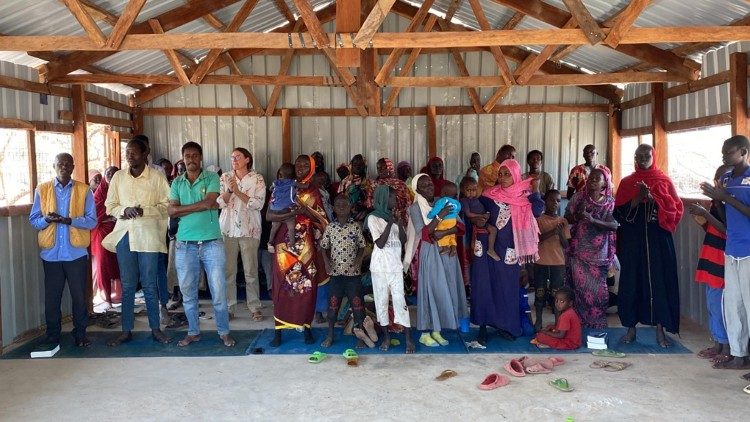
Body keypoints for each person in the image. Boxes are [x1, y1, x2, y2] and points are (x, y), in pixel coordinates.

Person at [103, 138, 171, 346]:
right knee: (128, 284)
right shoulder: (118, 177)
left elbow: (168, 205)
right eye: (127, 152)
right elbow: (110, 205)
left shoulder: (157, 177)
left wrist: (145, 211)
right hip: (125, 235)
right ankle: (126, 330)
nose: (129, 156)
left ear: (145, 153)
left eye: (133, 152)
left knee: (150, 285)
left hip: (149, 236)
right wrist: (123, 210)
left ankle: (155, 329)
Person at [615, 144, 683, 347]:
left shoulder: (664, 181)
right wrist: (637, 198)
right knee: (632, 283)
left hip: (658, 241)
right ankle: (630, 328)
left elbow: (676, 209)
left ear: (654, 156)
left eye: (647, 154)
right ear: (635, 158)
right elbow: (618, 215)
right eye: (639, 155)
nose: (643, 157)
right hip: (633, 242)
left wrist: (654, 199)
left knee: (659, 282)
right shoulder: (627, 182)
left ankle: (661, 330)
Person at [168, 141, 234, 347]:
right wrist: (202, 206)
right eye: (187, 156)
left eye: (195, 155)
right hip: (184, 244)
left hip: (211, 243)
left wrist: (183, 209)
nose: (191, 159)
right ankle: (193, 331)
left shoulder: (212, 177)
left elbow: (209, 202)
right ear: (183, 158)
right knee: (188, 292)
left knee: (219, 291)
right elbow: (171, 211)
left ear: (201, 157)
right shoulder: (177, 183)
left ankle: (223, 331)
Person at [29, 153, 97, 348]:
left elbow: (92, 221)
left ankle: (80, 334)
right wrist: (47, 220)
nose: (64, 167)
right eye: (60, 164)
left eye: (68, 164)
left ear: (73, 167)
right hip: (51, 254)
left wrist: (68, 220)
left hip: (75, 253)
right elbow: (34, 221)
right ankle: (52, 335)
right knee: (52, 298)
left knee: (79, 297)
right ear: (54, 165)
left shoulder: (84, 190)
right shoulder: (42, 190)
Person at [474, 159, 544, 345]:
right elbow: (476, 211)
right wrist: (480, 221)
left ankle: (507, 326)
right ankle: (482, 326)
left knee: (507, 289)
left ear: (515, 174)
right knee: (484, 287)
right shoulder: (489, 195)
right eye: (501, 174)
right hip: (488, 248)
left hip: (510, 251)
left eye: (507, 174)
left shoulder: (526, 196)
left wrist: (535, 190)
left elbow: (538, 210)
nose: (503, 178)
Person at [268, 155, 330, 347]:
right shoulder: (281, 186)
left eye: (306, 164)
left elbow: (323, 221)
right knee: (282, 286)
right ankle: (279, 329)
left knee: (305, 286)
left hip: (306, 246)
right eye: (298, 164)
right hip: (283, 246)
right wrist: (292, 213)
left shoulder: (312, 191)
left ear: (312, 167)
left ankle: (305, 326)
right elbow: (270, 215)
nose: (301, 167)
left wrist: (304, 210)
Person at [701, 135, 750, 372]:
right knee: (734, 306)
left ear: (743, 152)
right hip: (731, 250)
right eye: (722, 153)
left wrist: (724, 197)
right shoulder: (728, 179)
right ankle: (738, 355)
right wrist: (716, 200)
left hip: (748, 251)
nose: (724, 157)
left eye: (728, 153)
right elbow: (726, 214)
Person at [404, 174, 468, 348]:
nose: (429, 187)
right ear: (417, 190)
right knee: (431, 289)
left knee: (446, 288)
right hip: (431, 252)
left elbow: (460, 225)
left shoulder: (444, 200)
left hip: (447, 251)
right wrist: (440, 216)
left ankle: (437, 331)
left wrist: (443, 232)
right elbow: (424, 233)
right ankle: (426, 333)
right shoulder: (416, 208)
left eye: (430, 183)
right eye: (424, 186)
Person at [689, 165, 732, 363]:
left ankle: (726, 346)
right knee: (712, 303)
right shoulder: (717, 202)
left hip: (721, 260)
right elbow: (713, 229)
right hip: (711, 257)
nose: (718, 183)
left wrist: (706, 214)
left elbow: (726, 229)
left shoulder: (730, 203)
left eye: (722, 179)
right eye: (717, 179)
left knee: (720, 305)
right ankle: (717, 343)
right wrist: (702, 218)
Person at [565, 168, 618, 329]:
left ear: (605, 182)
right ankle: (579, 324)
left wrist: (592, 220)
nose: (593, 180)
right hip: (579, 251)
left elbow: (614, 225)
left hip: (599, 253)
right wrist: (577, 217)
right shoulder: (579, 197)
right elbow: (567, 217)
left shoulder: (609, 202)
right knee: (580, 290)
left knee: (598, 291)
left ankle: (597, 324)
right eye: (591, 178)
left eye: (597, 178)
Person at [218, 147, 266, 321]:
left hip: (249, 229)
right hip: (228, 229)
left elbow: (258, 204)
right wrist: (230, 191)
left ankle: (254, 307)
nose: (234, 160)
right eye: (232, 157)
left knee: (250, 271)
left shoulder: (257, 178)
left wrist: (238, 192)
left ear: (247, 159)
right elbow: (219, 202)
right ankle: (229, 307)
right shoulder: (225, 177)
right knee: (228, 271)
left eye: (237, 157)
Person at [367, 185, 415, 353]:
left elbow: (402, 240)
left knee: (400, 302)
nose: (394, 201)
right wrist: (390, 224)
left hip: (395, 267)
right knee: (381, 302)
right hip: (380, 268)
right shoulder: (373, 218)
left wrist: (399, 224)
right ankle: (387, 337)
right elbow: (379, 244)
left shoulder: (393, 217)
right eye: (392, 198)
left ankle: (408, 338)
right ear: (383, 198)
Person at [320, 194, 367, 348]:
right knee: (333, 308)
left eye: (344, 205)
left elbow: (362, 246)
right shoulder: (330, 227)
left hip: (353, 275)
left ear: (350, 208)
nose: (341, 207)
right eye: (338, 205)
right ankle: (330, 335)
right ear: (333, 208)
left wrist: (359, 261)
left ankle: (361, 335)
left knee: (358, 306)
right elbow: (323, 247)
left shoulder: (355, 227)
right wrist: (326, 263)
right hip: (335, 275)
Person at [533, 189, 570, 331]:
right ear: (545, 201)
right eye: (551, 200)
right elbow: (537, 239)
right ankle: (539, 320)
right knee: (539, 292)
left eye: (558, 201)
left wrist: (560, 233)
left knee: (557, 294)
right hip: (540, 262)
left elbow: (566, 245)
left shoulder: (563, 221)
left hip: (558, 263)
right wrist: (553, 232)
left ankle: (557, 322)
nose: (555, 203)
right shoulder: (538, 220)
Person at [92, 165, 121, 313]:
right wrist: (110, 213)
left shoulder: (123, 189)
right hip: (103, 232)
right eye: (108, 173)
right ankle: (107, 298)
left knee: (120, 263)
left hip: (120, 230)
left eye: (114, 173)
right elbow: (95, 212)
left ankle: (120, 296)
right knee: (103, 264)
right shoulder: (100, 192)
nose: (111, 175)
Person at [460, 177, 500, 261]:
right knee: (484, 224)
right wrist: (481, 216)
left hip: (483, 218)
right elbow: (468, 214)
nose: (471, 193)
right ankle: (490, 249)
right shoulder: (464, 200)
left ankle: (491, 249)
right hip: (475, 220)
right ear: (462, 190)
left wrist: (487, 214)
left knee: (494, 230)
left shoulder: (478, 199)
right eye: (468, 190)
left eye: (474, 190)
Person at [266, 163, 297, 253]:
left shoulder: (276, 184)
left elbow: (271, 189)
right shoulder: (293, 184)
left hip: (276, 210)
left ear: (280, 174)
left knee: (274, 227)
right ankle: (292, 245)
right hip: (287, 212)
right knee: (291, 228)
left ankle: (270, 243)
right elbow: (268, 217)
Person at [427, 182, 462, 256]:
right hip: (453, 221)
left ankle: (445, 247)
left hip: (445, 220)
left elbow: (436, 210)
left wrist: (430, 215)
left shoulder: (442, 200)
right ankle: (453, 247)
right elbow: (458, 209)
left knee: (440, 230)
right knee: (451, 235)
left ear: (444, 193)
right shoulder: (457, 202)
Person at [374, 157, 411, 225]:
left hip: (400, 218)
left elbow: (407, 203)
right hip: (381, 220)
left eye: (382, 168)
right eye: (378, 168)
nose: (380, 170)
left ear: (389, 167)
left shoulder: (401, 184)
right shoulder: (375, 184)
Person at [338, 154, 373, 221]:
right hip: (348, 215)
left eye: (361, 164)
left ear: (364, 166)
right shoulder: (345, 181)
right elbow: (340, 200)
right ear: (351, 165)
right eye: (355, 164)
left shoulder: (370, 183)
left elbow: (374, 202)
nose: (358, 166)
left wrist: (363, 207)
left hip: (366, 216)